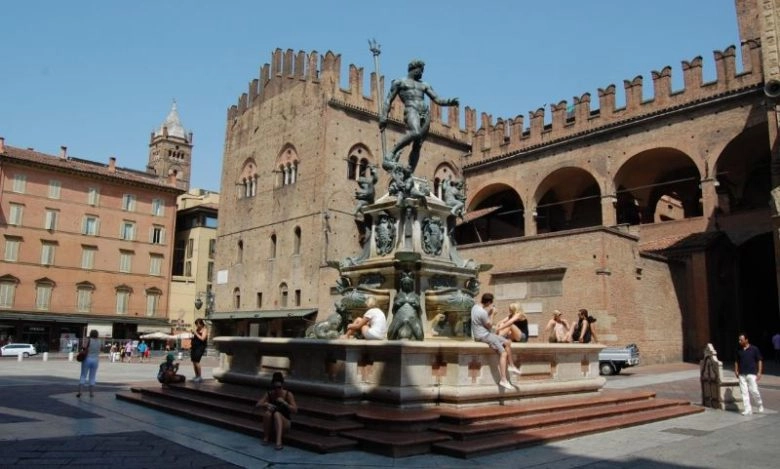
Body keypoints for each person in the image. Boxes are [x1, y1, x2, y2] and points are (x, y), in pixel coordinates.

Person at [379, 59, 459, 173]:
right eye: (420, 70)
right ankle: (392, 153)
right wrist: (383, 116)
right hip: (411, 109)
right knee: (415, 132)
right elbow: (388, 100)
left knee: (418, 144)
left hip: (425, 114)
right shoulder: (400, 82)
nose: (422, 73)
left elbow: (437, 99)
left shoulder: (424, 85)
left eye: (422, 71)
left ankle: (409, 171)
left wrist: (450, 102)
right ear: (413, 68)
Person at [471, 293, 522, 390]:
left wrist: (489, 312)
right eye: (491, 303)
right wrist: (493, 314)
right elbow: (489, 326)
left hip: (483, 334)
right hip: (484, 336)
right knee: (503, 353)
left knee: (507, 342)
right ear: (489, 302)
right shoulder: (482, 312)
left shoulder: (475, 307)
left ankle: (511, 365)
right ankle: (503, 379)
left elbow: (483, 322)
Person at [255, 372, 297, 450]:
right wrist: (266, 404)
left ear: (282, 386)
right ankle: (266, 437)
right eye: (275, 387)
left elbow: (295, 410)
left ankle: (278, 441)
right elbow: (258, 404)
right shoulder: (270, 394)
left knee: (277, 414)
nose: (277, 390)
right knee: (267, 413)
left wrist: (285, 403)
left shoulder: (288, 394)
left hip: (285, 422)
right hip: (272, 424)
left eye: (279, 387)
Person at [735, 333, 764, 415]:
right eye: (739, 339)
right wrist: (736, 370)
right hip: (742, 373)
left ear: (746, 340)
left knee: (754, 391)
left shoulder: (754, 349)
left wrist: (759, 372)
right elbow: (736, 361)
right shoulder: (738, 349)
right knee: (744, 392)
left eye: (741, 340)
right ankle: (748, 409)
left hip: (751, 373)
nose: (739, 341)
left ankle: (759, 404)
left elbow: (759, 360)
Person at [77, 329, 101, 398]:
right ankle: (91, 393)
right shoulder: (99, 341)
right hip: (95, 360)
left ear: (90, 334)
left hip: (87, 358)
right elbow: (100, 349)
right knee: (92, 376)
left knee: (83, 375)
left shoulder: (89, 340)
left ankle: (80, 392)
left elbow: (84, 347)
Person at [190, 318, 208, 383]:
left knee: (197, 361)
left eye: (197, 324)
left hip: (200, 347)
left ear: (201, 324)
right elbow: (195, 337)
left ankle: (200, 377)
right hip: (194, 347)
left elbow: (203, 338)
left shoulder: (204, 330)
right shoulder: (197, 330)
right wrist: (192, 334)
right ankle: (196, 376)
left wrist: (196, 333)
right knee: (194, 362)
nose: (197, 326)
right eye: (196, 324)